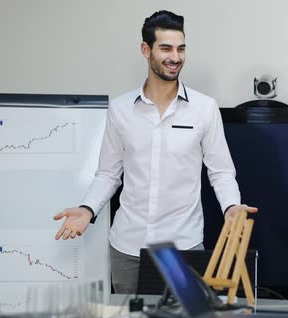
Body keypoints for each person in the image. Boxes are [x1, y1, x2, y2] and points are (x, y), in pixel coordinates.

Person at [52, 10, 257, 293]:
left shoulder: (204, 108)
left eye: (181, 48)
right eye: (166, 48)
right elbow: (108, 174)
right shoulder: (121, 109)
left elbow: (221, 172)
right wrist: (88, 209)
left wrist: (231, 206)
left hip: (183, 246)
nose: (175, 57)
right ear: (146, 50)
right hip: (127, 248)